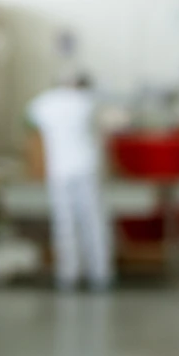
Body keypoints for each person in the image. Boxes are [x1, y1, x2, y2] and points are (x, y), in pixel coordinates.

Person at [27, 73, 114, 290]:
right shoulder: (86, 101)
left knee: (64, 223)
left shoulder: (43, 103)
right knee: (93, 221)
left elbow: (27, 122)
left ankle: (68, 276)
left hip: (60, 170)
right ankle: (100, 274)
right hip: (86, 167)